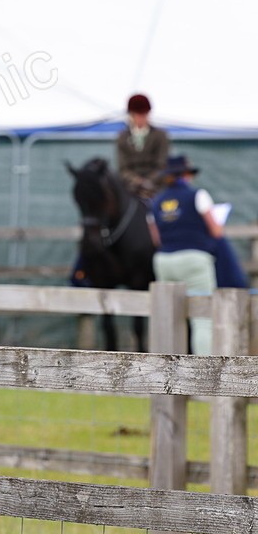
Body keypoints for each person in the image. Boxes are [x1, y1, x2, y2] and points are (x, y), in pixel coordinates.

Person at [150, 156, 222, 355]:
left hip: (164, 260)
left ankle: (165, 374)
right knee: (203, 319)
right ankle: (203, 373)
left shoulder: (156, 202)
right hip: (194, 259)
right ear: (186, 175)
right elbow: (216, 230)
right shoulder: (198, 195)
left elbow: (156, 238)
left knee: (168, 318)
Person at [115, 93, 170, 200]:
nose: (141, 119)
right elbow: (123, 168)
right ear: (131, 115)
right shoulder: (122, 137)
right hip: (131, 187)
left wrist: (148, 182)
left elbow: (162, 165)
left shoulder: (160, 136)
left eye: (144, 115)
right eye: (137, 115)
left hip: (156, 186)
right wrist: (137, 182)